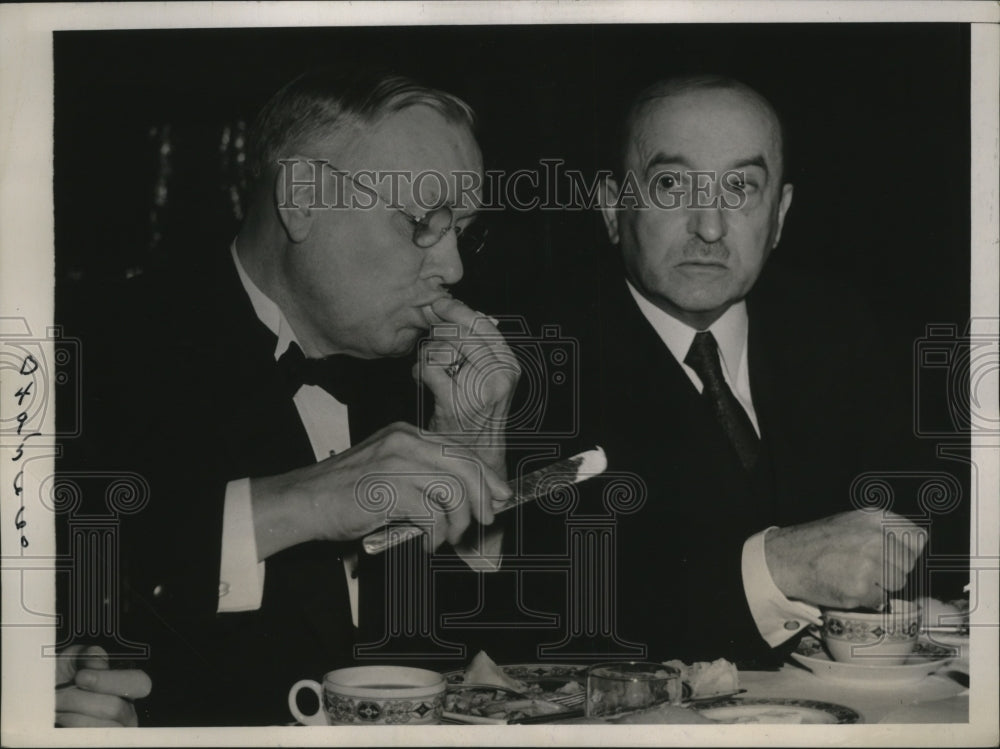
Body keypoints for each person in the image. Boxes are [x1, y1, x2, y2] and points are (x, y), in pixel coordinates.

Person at [56, 67, 518, 726]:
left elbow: (491, 682)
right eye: (423, 223)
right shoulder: (89, 345)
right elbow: (65, 597)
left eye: (464, 231)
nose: (454, 268)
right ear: (302, 198)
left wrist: (475, 465)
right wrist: (308, 499)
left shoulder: (430, 381)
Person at [507, 74, 930, 666]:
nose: (709, 227)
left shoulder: (837, 330)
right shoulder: (530, 361)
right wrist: (778, 568)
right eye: (671, 184)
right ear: (610, 205)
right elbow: (544, 611)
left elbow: (936, 520)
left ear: (779, 214)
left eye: (741, 187)